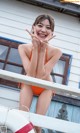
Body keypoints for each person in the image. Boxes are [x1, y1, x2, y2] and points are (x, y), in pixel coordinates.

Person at [18, 14, 62, 133]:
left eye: (48, 28)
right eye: (40, 25)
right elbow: (31, 75)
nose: (43, 30)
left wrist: (42, 49)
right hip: (28, 83)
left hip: (46, 87)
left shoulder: (57, 52)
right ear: (33, 28)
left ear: (51, 33)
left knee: (38, 124)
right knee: (22, 120)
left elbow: (42, 76)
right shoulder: (23, 48)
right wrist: (36, 49)